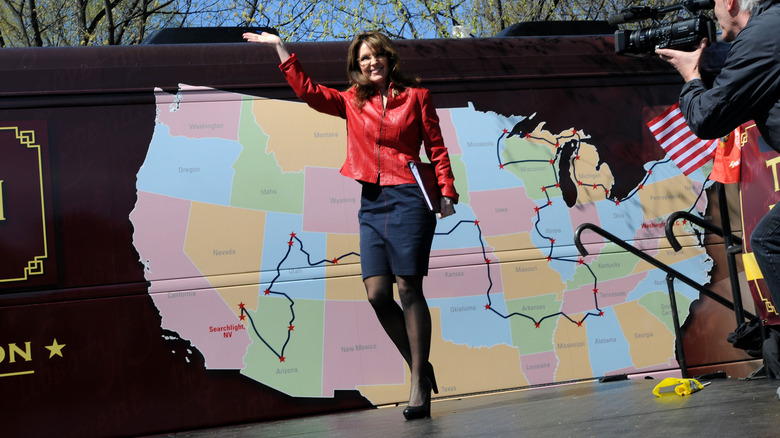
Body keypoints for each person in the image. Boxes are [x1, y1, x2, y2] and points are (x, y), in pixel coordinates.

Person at [243, 30, 459, 419]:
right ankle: (421, 366)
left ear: (389, 58)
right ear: (357, 67)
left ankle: (417, 385)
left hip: (410, 197)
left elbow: (436, 147)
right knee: (377, 294)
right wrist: (280, 49)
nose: (371, 62)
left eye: (376, 55)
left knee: (408, 288)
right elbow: (309, 92)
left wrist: (446, 191)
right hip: (372, 202)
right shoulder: (351, 101)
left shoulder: (416, 97)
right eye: (364, 59)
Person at [657, 0, 780, 380]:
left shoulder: (761, 36)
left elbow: (708, 117)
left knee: (769, 241)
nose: (713, 14)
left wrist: (691, 76)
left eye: (714, 4)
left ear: (730, 2)